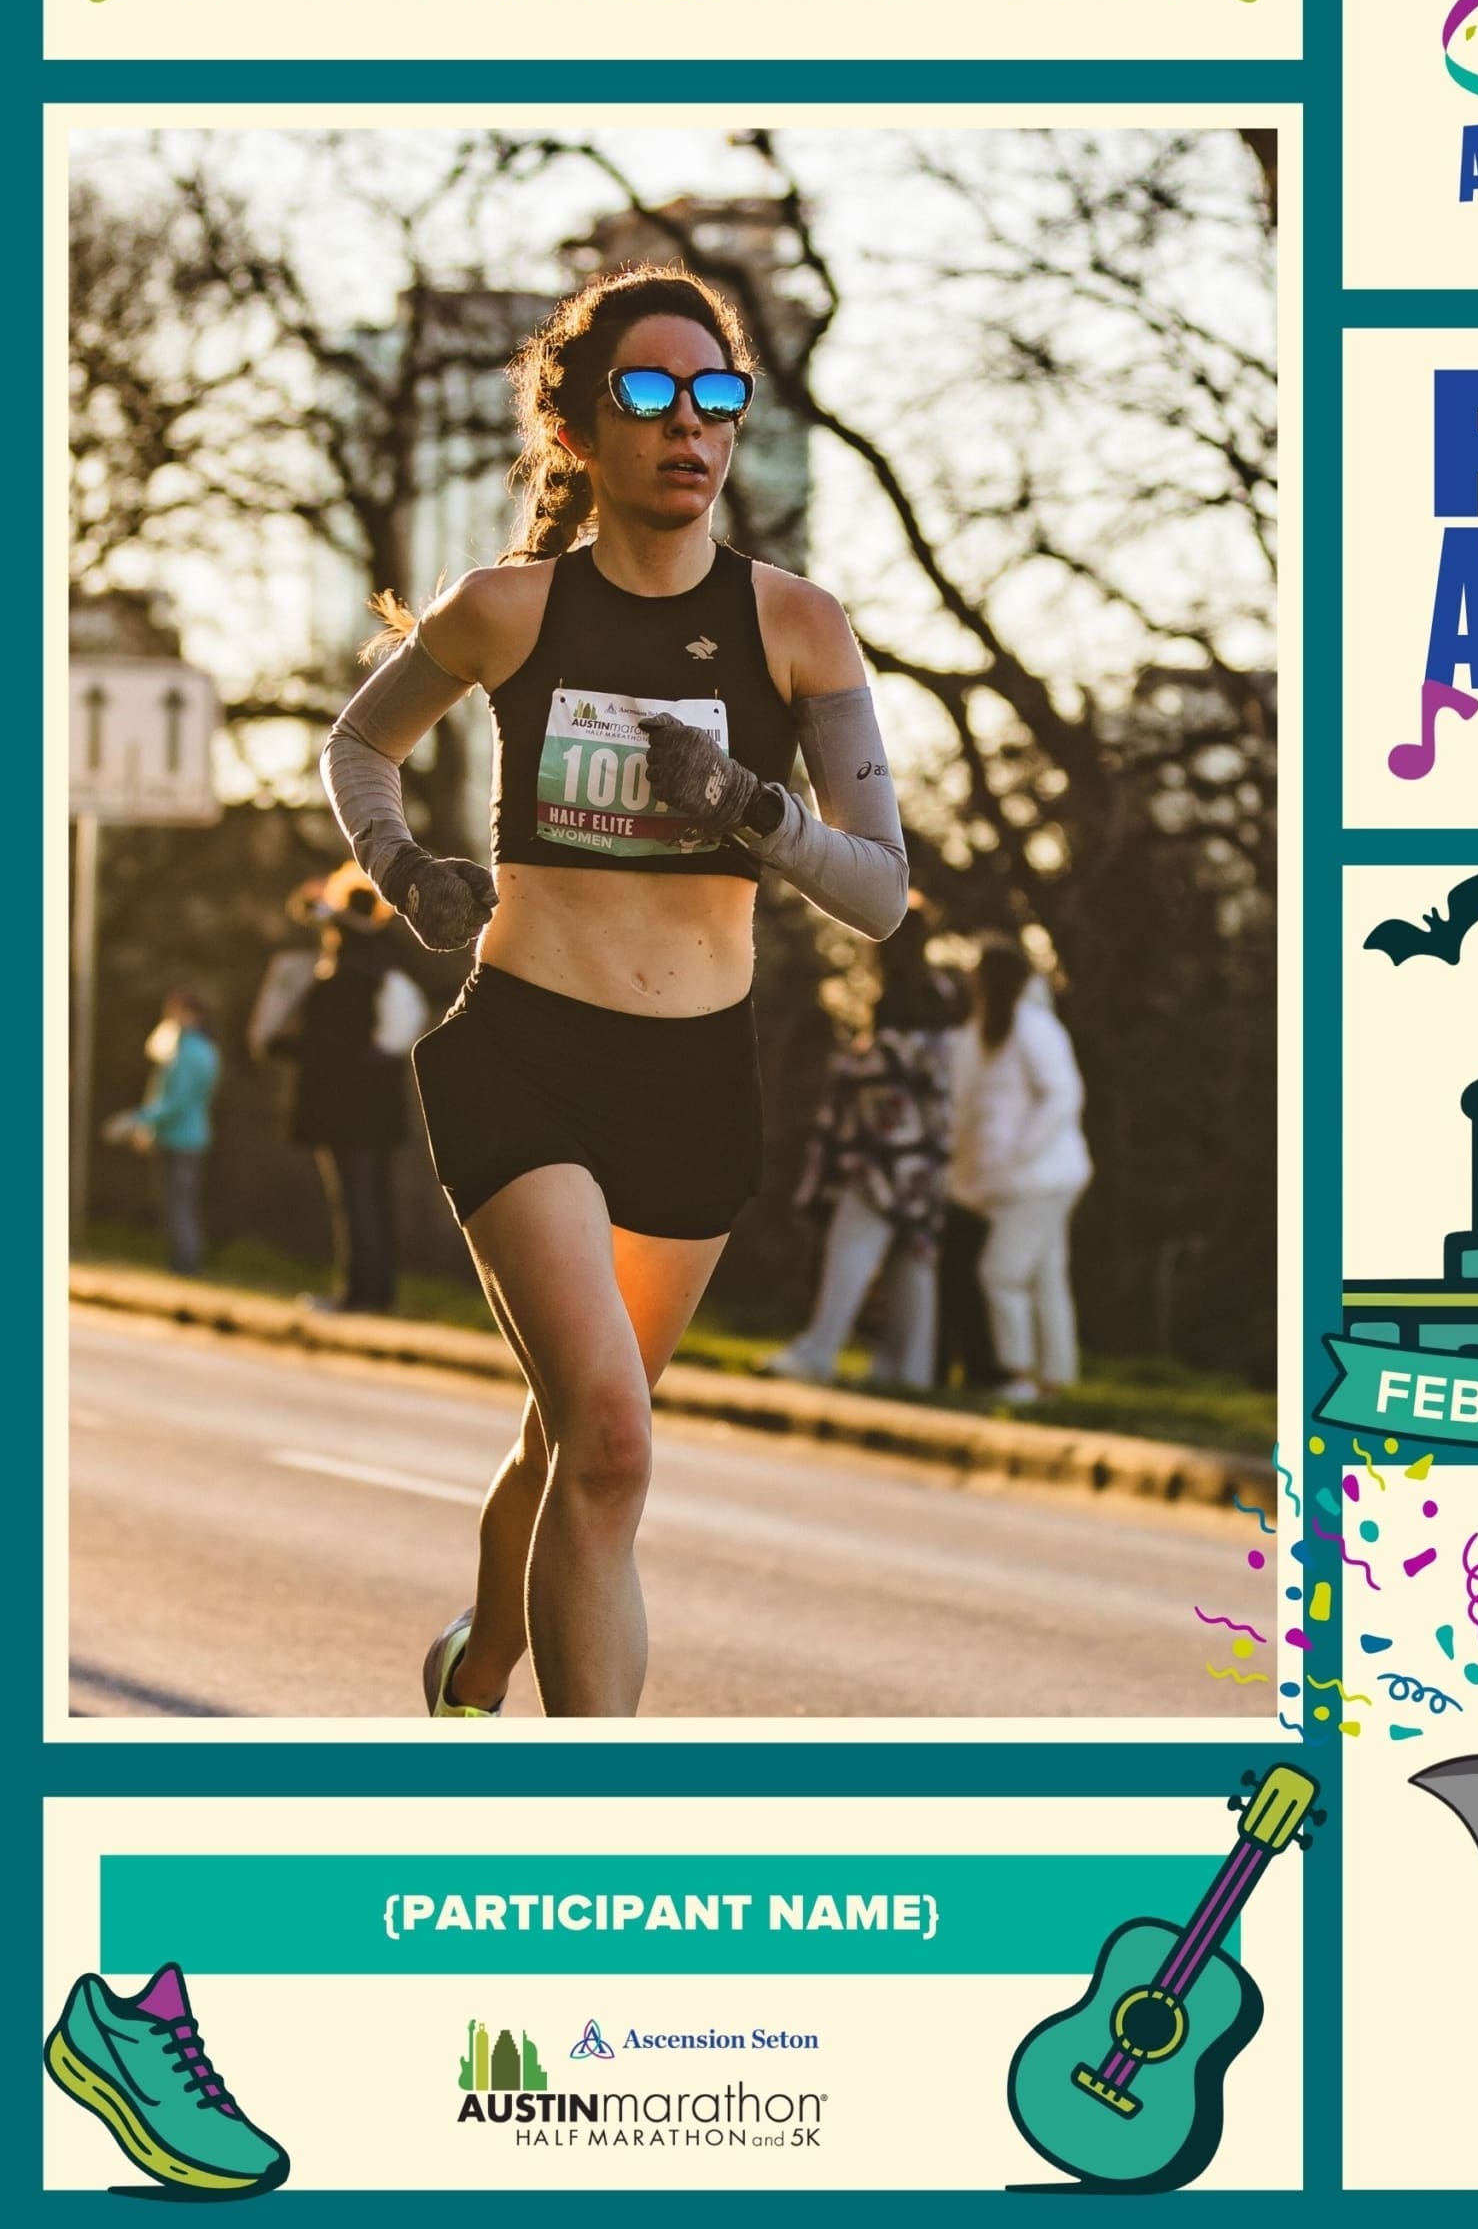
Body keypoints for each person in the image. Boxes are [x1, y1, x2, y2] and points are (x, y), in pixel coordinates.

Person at [319, 263, 907, 1719]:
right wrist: (403, 867)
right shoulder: (506, 611)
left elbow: (882, 892)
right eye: (647, 393)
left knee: (575, 1437)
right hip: (523, 1053)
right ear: (579, 430)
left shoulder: (800, 627)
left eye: (717, 395)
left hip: (694, 1084)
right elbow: (358, 747)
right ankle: (592, 1805)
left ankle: (484, 1661)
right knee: (615, 1440)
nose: (688, 425)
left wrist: (754, 809)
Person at [763, 901, 952, 1390]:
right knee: (912, 1259)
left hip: (877, 1155)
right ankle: (909, 1368)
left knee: (849, 1251)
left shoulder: (892, 1003)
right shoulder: (943, 1000)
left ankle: (820, 1350)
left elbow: (880, 1079)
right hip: (924, 1158)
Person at [250, 863, 429, 1316]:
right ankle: (378, 1292)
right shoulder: (386, 971)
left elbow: (325, 1047)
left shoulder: (342, 982)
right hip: (380, 1108)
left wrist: (279, 1044)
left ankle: (356, 1294)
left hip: (342, 1108)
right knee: (375, 1198)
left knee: (353, 1200)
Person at [946, 937, 1091, 1404]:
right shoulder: (983, 1030)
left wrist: (1016, 1155)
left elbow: (1062, 1096)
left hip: (1042, 1178)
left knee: (1001, 1274)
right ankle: (1056, 1384)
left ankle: (1019, 1377)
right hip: (1022, 1181)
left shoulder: (1033, 1025)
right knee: (1046, 1275)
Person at [103, 985, 221, 1276]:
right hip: (183, 1136)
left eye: (176, 1010)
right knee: (178, 1202)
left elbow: (176, 1101)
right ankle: (182, 1262)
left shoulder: (191, 1053)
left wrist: (137, 1119)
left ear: (192, 1014)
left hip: (182, 1138)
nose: (170, 1016)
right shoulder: (192, 1048)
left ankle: (185, 1265)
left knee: (179, 1203)